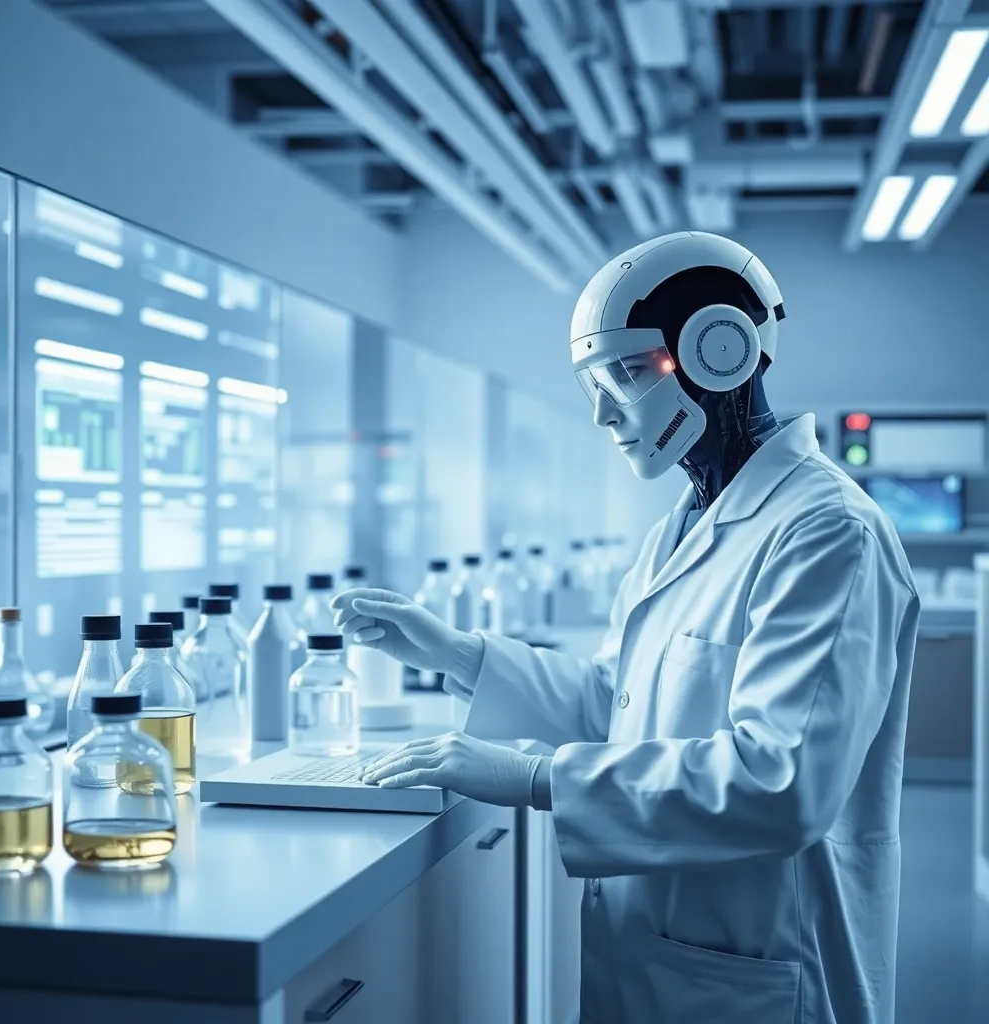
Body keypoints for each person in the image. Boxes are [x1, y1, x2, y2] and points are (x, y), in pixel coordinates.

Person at [331, 232, 919, 1024]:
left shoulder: (826, 531)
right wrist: (458, 653)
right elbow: (622, 699)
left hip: (766, 966)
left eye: (625, 373)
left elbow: (781, 784)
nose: (605, 412)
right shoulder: (681, 528)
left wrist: (541, 781)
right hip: (664, 953)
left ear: (720, 351)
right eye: (593, 384)